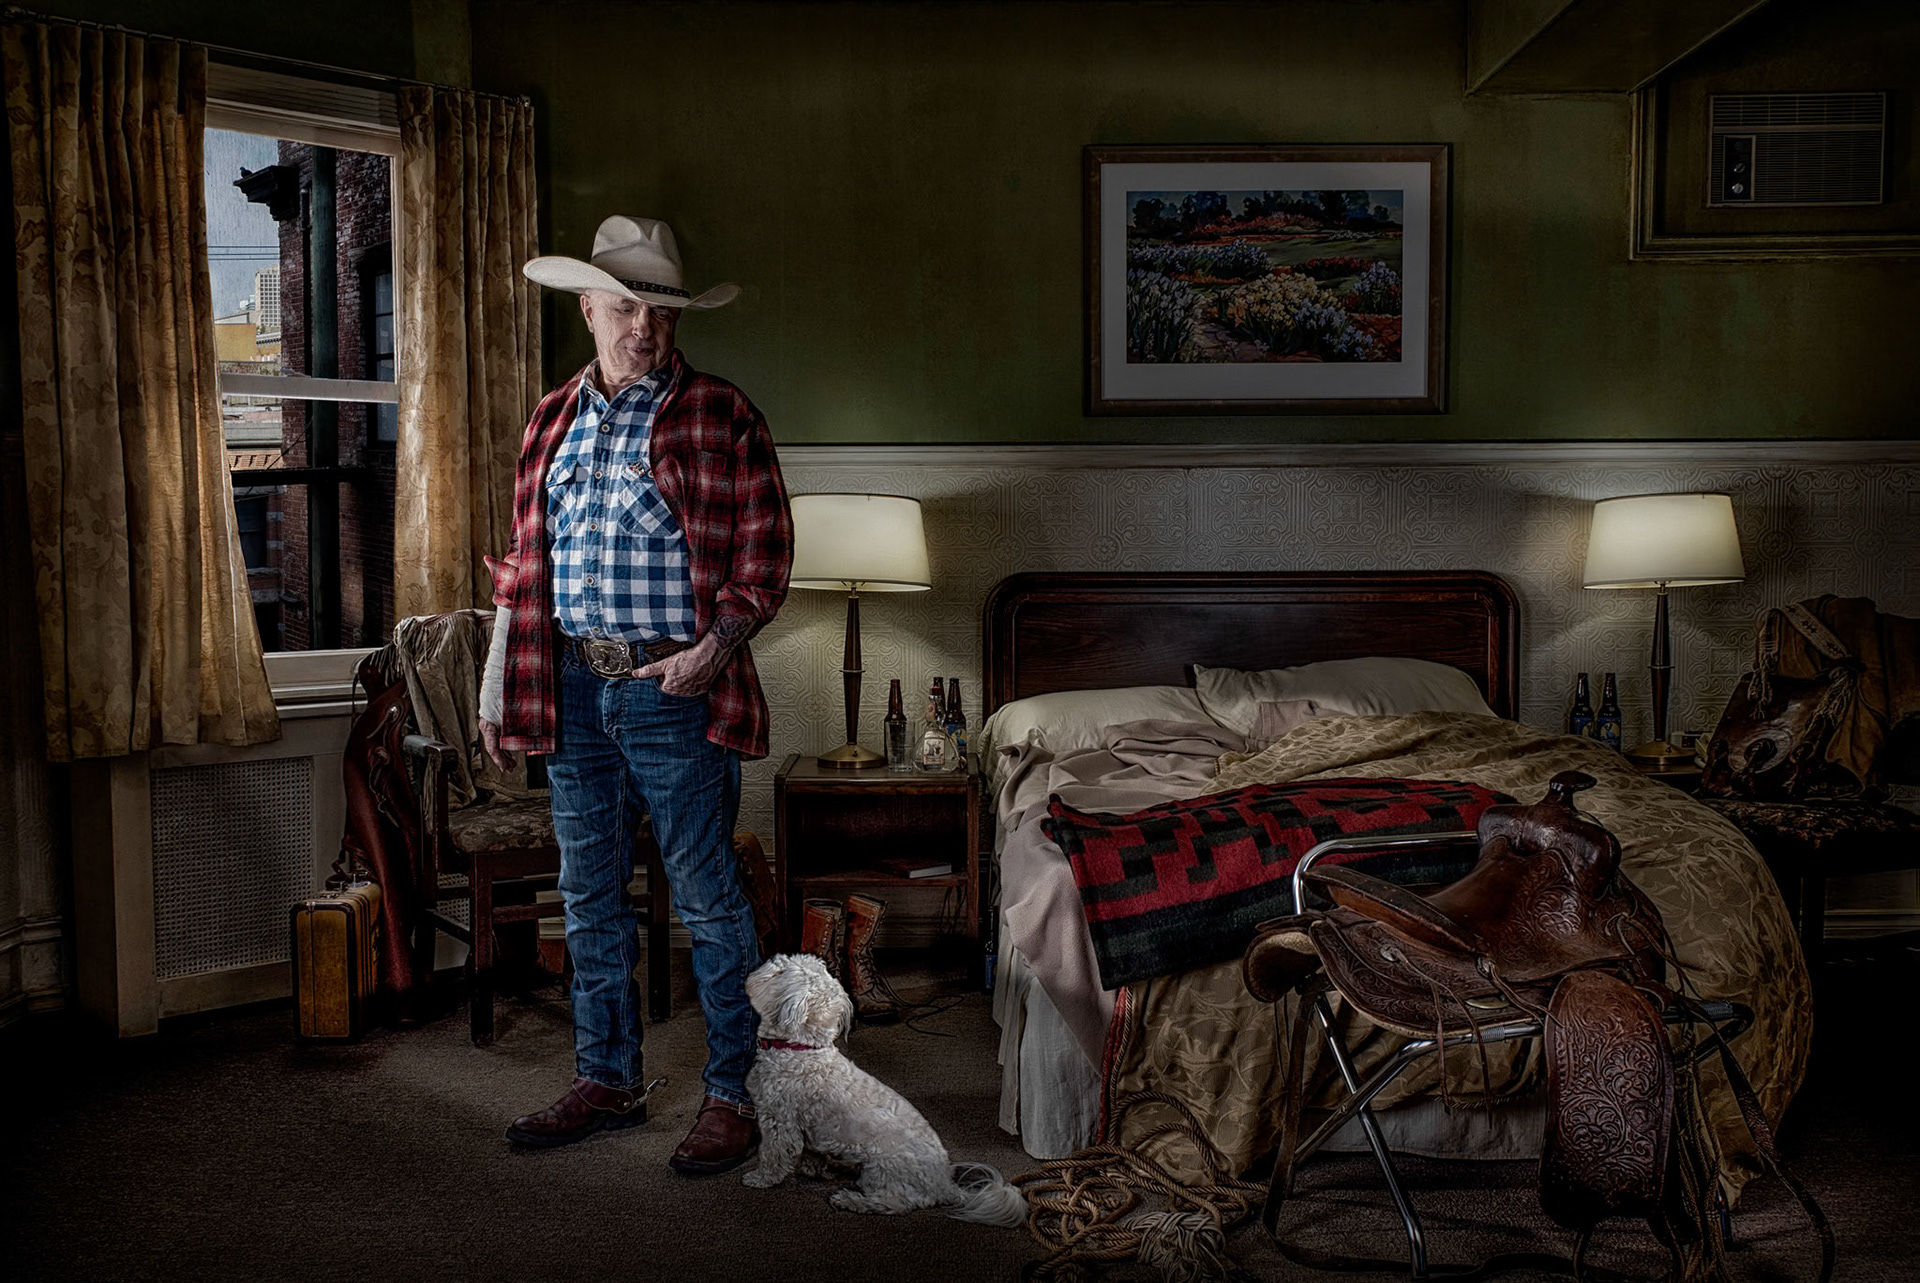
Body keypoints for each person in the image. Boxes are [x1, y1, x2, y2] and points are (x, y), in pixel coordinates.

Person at [478, 215, 792, 1175]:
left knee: (705, 895)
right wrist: (497, 682)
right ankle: (607, 1078)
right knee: (588, 896)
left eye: (659, 310)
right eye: (624, 307)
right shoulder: (549, 419)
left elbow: (764, 558)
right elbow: (522, 568)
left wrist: (710, 653)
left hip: (674, 689)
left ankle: (737, 1093)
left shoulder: (722, 414)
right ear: (588, 308)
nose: (642, 327)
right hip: (571, 685)